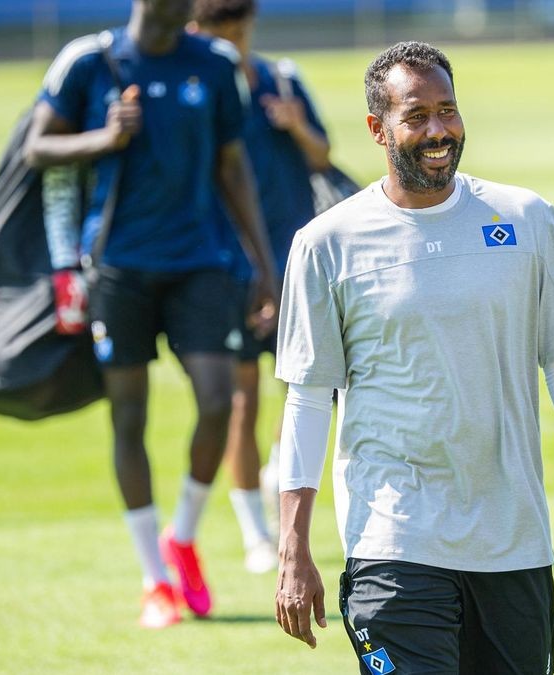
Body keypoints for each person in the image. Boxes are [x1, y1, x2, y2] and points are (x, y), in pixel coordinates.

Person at [272, 41, 554, 672]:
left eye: (447, 110)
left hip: (513, 542)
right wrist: (294, 546)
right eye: (416, 116)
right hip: (393, 541)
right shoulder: (326, 243)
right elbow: (309, 399)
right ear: (377, 129)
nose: (438, 130)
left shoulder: (527, 219)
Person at [23, 0, 278, 628]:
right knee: (129, 419)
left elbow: (232, 165)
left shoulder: (215, 64)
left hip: (201, 262)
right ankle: (154, 580)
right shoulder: (89, 60)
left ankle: (182, 536)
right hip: (118, 267)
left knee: (219, 402)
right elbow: (37, 147)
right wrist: (105, 139)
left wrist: (264, 261)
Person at [190, 0, 332, 575]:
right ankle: (254, 533)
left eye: (242, 29)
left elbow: (323, 157)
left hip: (298, 264)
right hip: (234, 269)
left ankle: (279, 470)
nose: (237, 41)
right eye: (225, 31)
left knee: (305, 389)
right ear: (200, 30)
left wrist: (295, 122)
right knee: (240, 400)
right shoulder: (201, 90)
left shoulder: (282, 78)